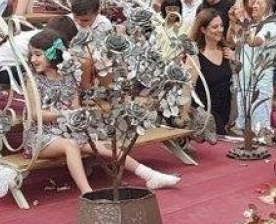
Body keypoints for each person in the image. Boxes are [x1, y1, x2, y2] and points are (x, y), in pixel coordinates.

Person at [24, 24, 180, 194]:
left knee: (106, 144)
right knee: (70, 145)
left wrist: (76, 116)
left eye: (38, 55)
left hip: (66, 131)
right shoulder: (34, 81)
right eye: (32, 54)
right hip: (41, 136)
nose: (33, 59)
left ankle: (149, 175)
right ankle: (87, 193)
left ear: (52, 55)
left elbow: (75, 106)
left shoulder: (68, 76)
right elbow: (35, 114)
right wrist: (65, 115)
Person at [236, 0, 276, 140]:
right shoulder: (253, 26)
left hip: (260, 85)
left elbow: (254, 41)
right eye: (254, 3)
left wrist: (243, 23)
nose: (254, 5)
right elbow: (234, 41)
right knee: (244, 128)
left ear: (270, 8)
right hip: (244, 83)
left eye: (259, 3)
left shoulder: (272, 27)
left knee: (260, 130)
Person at [191, 9, 234, 135]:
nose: (220, 29)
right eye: (215, 27)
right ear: (203, 30)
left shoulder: (227, 52)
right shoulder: (195, 56)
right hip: (207, 113)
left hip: (226, 112)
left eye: (221, 26)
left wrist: (236, 58)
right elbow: (189, 89)